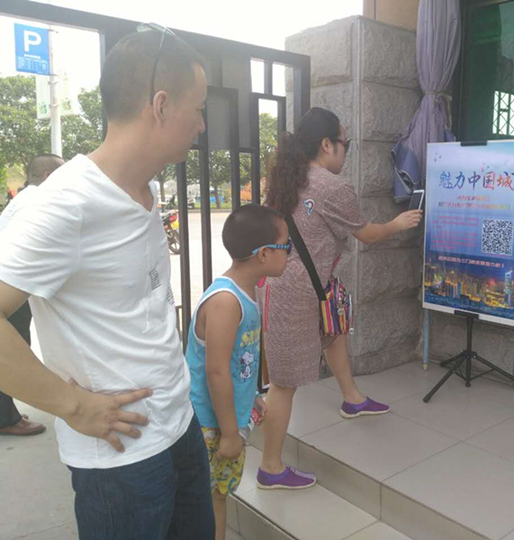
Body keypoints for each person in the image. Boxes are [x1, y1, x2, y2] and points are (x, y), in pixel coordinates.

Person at [0, 26, 214, 540]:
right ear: (161, 105)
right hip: (121, 463)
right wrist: (71, 405)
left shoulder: (146, 189)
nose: (202, 124)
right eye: (199, 108)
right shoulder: (65, 205)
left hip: (179, 427)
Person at [257, 107, 423, 489]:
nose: (346, 151)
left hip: (298, 284)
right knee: (283, 383)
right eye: (345, 143)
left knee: (335, 332)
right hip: (297, 291)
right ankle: (270, 467)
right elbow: (367, 234)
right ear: (326, 144)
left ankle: (352, 398)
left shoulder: (286, 176)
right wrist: (397, 223)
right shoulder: (333, 187)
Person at [186, 204, 289, 540]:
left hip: (228, 418)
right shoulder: (226, 301)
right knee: (205, 500)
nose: (289, 254)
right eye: (285, 246)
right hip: (210, 424)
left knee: (219, 494)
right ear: (263, 254)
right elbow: (216, 371)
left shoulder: (245, 293)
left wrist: (253, 397)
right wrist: (230, 433)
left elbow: (238, 362)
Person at [0, 153, 64, 437]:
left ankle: (5, 412)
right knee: (12, 349)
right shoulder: (38, 200)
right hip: (10, 285)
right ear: (48, 176)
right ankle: (6, 419)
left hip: (10, 281)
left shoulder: (23, 198)